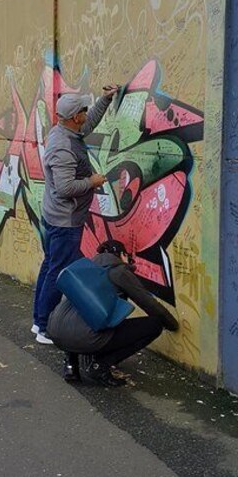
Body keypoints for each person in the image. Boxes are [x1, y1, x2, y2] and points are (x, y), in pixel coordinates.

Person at [32, 85, 119, 344]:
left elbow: (89, 123)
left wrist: (105, 99)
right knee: (57, 271)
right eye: (83, 110)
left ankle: (39, 321)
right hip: (65, 221)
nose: (86, 113)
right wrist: (92, 181)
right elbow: (65, 188)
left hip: (57, 217)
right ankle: (44, 326)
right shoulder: (63, 147)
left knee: (50, 266)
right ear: (74, 117)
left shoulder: (67, 131)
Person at [47, 240, 179, 387]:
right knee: (154, 325)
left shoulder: (81, 268)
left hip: (55, 332)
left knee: (79, 317)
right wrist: (172, 324)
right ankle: (100, 365)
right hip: (85, 338)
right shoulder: (119, 272)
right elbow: (148, 304)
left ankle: (71, 365)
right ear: (121, 254)